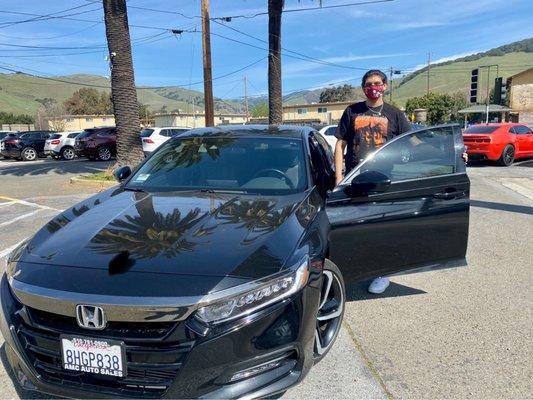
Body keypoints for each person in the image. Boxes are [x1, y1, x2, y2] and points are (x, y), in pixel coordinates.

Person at [334, 69, 411, 294]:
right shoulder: (352, 111)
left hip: (383, 181)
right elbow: (340, 145)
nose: (373, 87)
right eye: (368, 84)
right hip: (354, 180)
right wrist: (339, 176)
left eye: (377, 83)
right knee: (354, 227)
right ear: (363, 88)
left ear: (385, 85)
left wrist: (453, 152)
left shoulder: (395, 114)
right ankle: (355, 268)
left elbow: (412, 143)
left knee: (380, 228)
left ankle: (382, 272)